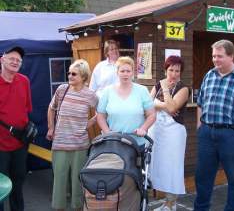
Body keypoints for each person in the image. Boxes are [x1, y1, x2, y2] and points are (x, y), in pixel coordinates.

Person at [194, 40, 234, 211]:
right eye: (213, 56)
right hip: (207, 134)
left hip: (232, 135)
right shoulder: (209, 75)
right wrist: (200, 124)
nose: (215, 59)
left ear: (231, 56)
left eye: (220, 56)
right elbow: (200, 102)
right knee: (202, 178)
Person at [96, 56, 156, 210]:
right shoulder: (108, 92)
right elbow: (100, 115)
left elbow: (152, 115)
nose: (125, 74)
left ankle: (135, 205)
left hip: (137, 144)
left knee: (134, 179)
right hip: (114, 143)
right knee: (117, 178)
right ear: (117, 72)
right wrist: (107, 132)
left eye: (128, 70)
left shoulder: (142, 90)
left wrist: (143, 128)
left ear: (133, 72)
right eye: (122, 70)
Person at [46, 59, 98, 211]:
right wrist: (51, 128)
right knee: (59, 181)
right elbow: (51, 108)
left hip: (80, 145)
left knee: (78, 182)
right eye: (69, 72)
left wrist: (86, 125)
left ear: (83, 76)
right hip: (60, 143)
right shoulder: (62, 90)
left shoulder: (90, 95)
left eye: (73, 73)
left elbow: (101, 113)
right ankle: (58, 208)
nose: (69, 75)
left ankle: (78, 207)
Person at [148, 55, 190, 211]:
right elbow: (147, 104)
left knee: (172, 166)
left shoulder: (184, 88)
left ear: (181, 72)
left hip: (174, 133)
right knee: (158, 164)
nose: (173, 73)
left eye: (177, 70)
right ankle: (165, 202)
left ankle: (172, 203)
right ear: (166, 70)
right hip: (157, 130)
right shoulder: (157, 84)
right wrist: (164, 104)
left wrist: (164, 91)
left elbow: (173, 109)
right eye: (171, 70)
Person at [0, 46, 32, 211]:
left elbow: (26, 109)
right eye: (11, 58)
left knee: (17, 186)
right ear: (2, 59)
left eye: (18, 60)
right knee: (0, 190)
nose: (15, 62)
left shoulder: (24, 81)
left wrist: (28, 126)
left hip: (20, 145)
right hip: (0, 148)